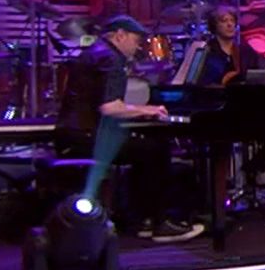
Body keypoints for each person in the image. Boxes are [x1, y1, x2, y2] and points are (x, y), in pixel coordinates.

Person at [56, 16, 202, 242]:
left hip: (72, 135)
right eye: (136, 40)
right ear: (120, 35)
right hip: (87, 138)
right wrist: (147, 110)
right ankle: (159, 223)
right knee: (155, 150)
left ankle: (142, 221)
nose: (137, 47)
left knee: (143, 148)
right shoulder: (111, 58)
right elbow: (109, 107)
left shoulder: (93, 53)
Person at [195, 7, 265, 86]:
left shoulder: (246, 52)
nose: (230, 24)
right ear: (214, 25)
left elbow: (258, 78)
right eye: (224, 21)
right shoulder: (206, 52)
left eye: (232, 20)